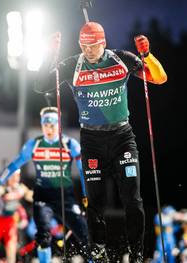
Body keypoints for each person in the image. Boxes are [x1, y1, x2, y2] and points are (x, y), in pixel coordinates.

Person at [35, 21, 167, 262]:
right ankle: (98, 249)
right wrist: (49, 56)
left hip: (122, 137)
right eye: (84, 46)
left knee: (132, 198)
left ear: (103, 43)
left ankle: (136, 253)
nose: (88, 51)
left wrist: (147, 55)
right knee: (95, 200)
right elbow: (40, 86)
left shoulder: (121, 59)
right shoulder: (72, 65)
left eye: (93, 46)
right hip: (92, 139)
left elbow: (159, 78)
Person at [0, 107, 89, 263]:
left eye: (53, 125)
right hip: (43, 196)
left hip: (64, 196)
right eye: (45, 125)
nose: (49, 129)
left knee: (84, 234)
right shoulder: (34, 144)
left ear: (59, 125)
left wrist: (87, 195)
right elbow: (13, 166)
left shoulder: (69, 144)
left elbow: (82, 170)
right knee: (42, 237)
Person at [0, 170, 31, 263]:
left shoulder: (21, 188)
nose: (15, 179)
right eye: (12, 176)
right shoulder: (2, 188)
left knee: (11, 248)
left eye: (17, 176)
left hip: (11, 222)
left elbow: (30, 197)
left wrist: (36, 194)